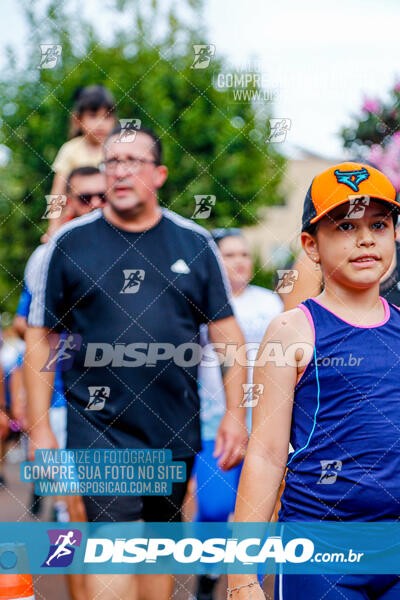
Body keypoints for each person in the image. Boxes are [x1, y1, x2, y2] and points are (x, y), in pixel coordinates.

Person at [26, 125, 248, 600]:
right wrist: (42, 430)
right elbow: (41, 340)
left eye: (134, 162)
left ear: (160, 174)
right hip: (100, 428)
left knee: (158, 551)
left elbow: (226, 333)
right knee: (114, 547)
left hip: (174, 426)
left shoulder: (194, 243)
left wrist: (234, 412)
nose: (121, 171)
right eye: (112, 162)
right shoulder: (69, 246)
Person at [228, 162, 400, 599]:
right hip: (320, 551)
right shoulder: (292, 330)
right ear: (311, 244)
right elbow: (266, 454)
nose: (365, 239)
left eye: (378, 224)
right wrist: (242, 575)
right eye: (345, 226)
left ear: (394, 234)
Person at [193, 228, 283, 600]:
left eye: (244, 254)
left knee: (258, 512)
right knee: (214, 508)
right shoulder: (196, 304)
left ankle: (251, 584)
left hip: (264, 423)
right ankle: (207, 573)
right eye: (229, 255)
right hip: (213, 422)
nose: (240, 261)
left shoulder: (270, 305)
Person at [44, 85, 115, 239]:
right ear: (77, 120)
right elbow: (58, 192)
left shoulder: (117, 150)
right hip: (77, 219)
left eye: (107, 116)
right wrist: (54, 226)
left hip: (113, 218)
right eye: (93, 116)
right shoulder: (70, 150)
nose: (101, 123)